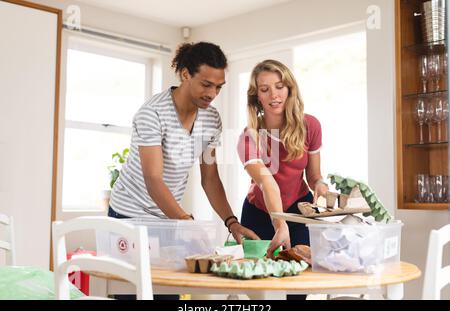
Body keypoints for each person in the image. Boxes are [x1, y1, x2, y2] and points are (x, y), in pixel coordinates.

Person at [109, 41, 259, 241]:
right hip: (129, 214)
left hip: (167, 217)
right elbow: (153, 179)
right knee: (136, 273)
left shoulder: (211, 119)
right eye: (206, 85)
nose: (212, 94)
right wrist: (184, 220)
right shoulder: (152, 113)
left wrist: (232, 223)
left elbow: (210, 178)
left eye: (218, 87)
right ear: (186, 74)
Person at [237, 59, 329, 260]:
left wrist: (320, 185)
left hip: (299, 211)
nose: (274, 95)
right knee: (260, 279)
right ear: (256, 96)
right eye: (264, 89)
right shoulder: (249, 137)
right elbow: (267, 182)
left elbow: (313, 175)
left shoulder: (310, 126)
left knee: (299, 280)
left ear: (289, 89)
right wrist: (280, 223)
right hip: (259, 213)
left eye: (279, 87)